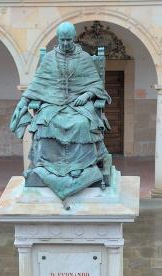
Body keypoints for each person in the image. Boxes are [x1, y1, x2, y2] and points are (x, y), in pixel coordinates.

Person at [10, 21, 114, 200]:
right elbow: (38, 84)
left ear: (74, 38)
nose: (65, 43)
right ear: (58, 39)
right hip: (53, 102)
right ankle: (46, 167)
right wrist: (23, 102)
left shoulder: (85, 58)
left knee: (82, 124)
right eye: (62, 40)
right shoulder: (50, 58)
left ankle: (81, 167)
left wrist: (87, 95)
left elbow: (96, 85)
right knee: (44, 124)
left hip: (79, 104)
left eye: (68, 40)